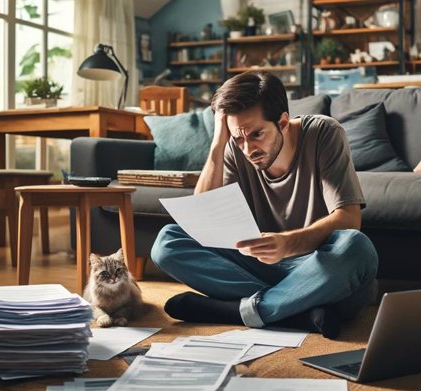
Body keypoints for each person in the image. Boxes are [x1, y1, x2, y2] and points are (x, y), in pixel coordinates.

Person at [151, 71, 378, 339]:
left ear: (283, 122)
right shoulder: (235, 146)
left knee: (357, 247)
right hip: (267, 267)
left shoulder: (324, 133)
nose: (248, 149)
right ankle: (297, 310)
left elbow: (349, 219)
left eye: (257, 134)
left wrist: (286, 244)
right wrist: (218, 144)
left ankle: (235, 311)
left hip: (317, 266)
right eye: (239, 139)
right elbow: (202, 218)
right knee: (167, 242)